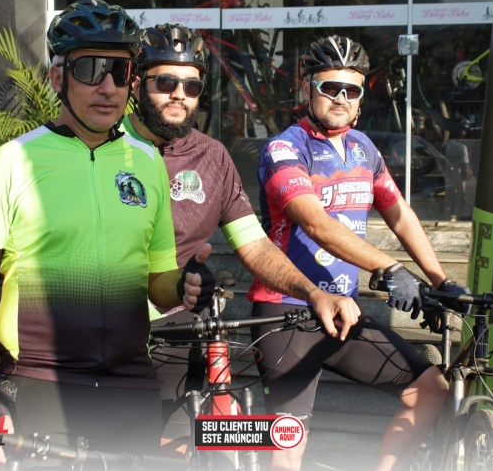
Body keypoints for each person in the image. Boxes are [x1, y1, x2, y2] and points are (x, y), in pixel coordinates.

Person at [0, 0, 216, 468]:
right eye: (91, 69)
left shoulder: (147, 163)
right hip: (41, 380)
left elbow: (156, 280)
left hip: (130, 382)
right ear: (59, 78)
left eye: (120, 71)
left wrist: (184, 285)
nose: (107, 86)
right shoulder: (12, 163)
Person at [122, 23, 360, 454]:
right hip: (112, 328)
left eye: (191, 85)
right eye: (166, 82)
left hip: (180, 326)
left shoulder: (211, 156)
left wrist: (313, 293)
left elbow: (254, 245)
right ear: (137, 85)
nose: (179, 94)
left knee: (177, 447)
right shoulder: (107, 145)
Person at [247, 35, 469, 471]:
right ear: (307, 88)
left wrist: (439, 280)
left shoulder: (364, 149)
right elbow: (316, 223)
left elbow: (400, 214)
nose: (341, 98)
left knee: (429, 389)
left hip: (343, 312)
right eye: (330, 87)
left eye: (352, 90)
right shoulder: (286, 149)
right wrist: (390, 267)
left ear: (362, 98)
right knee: (288, 449)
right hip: (286, 311)